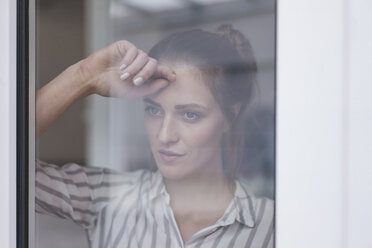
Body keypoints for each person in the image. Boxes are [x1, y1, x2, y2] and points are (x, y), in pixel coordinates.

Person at [36, 24, 274, 248]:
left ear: (230, 116)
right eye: (154, 110)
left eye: (190, 115)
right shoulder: (109, 196)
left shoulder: (274, 226)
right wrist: (83, 76)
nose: (164, 135)